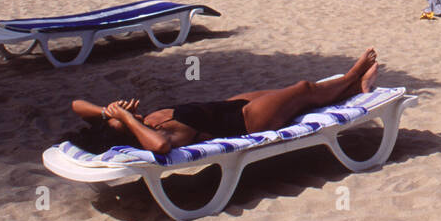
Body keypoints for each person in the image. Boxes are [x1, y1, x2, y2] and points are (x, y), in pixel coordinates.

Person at [66, 49, 380, 154]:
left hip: (226, 105)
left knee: (297, 99)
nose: (120, 116)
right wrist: (130, 119)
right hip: (245, 122)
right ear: (120, 132)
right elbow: (161, 148)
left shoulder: (131, 125)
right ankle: (353, 76)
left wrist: (108, 111)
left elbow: (76, 105)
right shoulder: (151, 138)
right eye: (116, 122)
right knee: (303, 89)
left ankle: (355, 88)